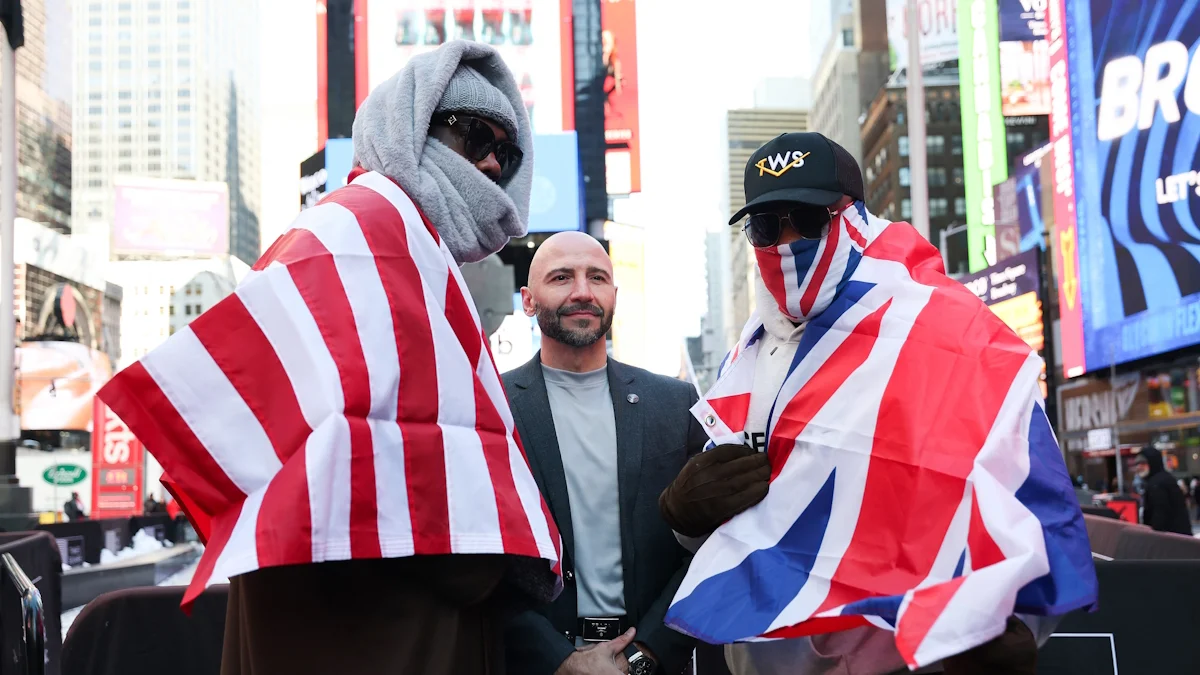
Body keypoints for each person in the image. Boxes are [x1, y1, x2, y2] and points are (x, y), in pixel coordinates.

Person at [101, 40, 556, 675]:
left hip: (372, 614)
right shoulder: (371, 235)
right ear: (412, 126)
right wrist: (492, 565)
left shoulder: (388, 238)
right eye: (475, 134)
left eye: (507, 153)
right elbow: (396, 465)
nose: (490, 163)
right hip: (365, 630)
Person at [660, 133, 1070, 675]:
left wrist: (1009, 625)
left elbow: (1027, 498)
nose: (785, 241)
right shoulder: (748, 360)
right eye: (765, 226)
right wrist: (685, 517)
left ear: (853, 217)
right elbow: (726, 531)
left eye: (805, 220)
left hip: (909, 657)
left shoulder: (947, 333)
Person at [502, 231, 706, 675]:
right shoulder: (492, 406)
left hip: (653, 658)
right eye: (561, 277)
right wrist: (558, 660)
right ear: (528, 301)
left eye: (596, 277)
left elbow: (707, 546)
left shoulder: (675, 404)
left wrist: (646, 654)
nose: (582, 292)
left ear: (614, 295)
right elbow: (480, 558)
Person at [1134, 447, 1192, 535]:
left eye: (1143, 463)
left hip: (1170, 540)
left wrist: (1154, 535)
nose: (1139, 467)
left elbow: (1159, 514)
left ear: (1152, 462)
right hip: (1179, 538)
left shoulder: (1157, 484)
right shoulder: (1164, 479)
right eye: (1137, 463)